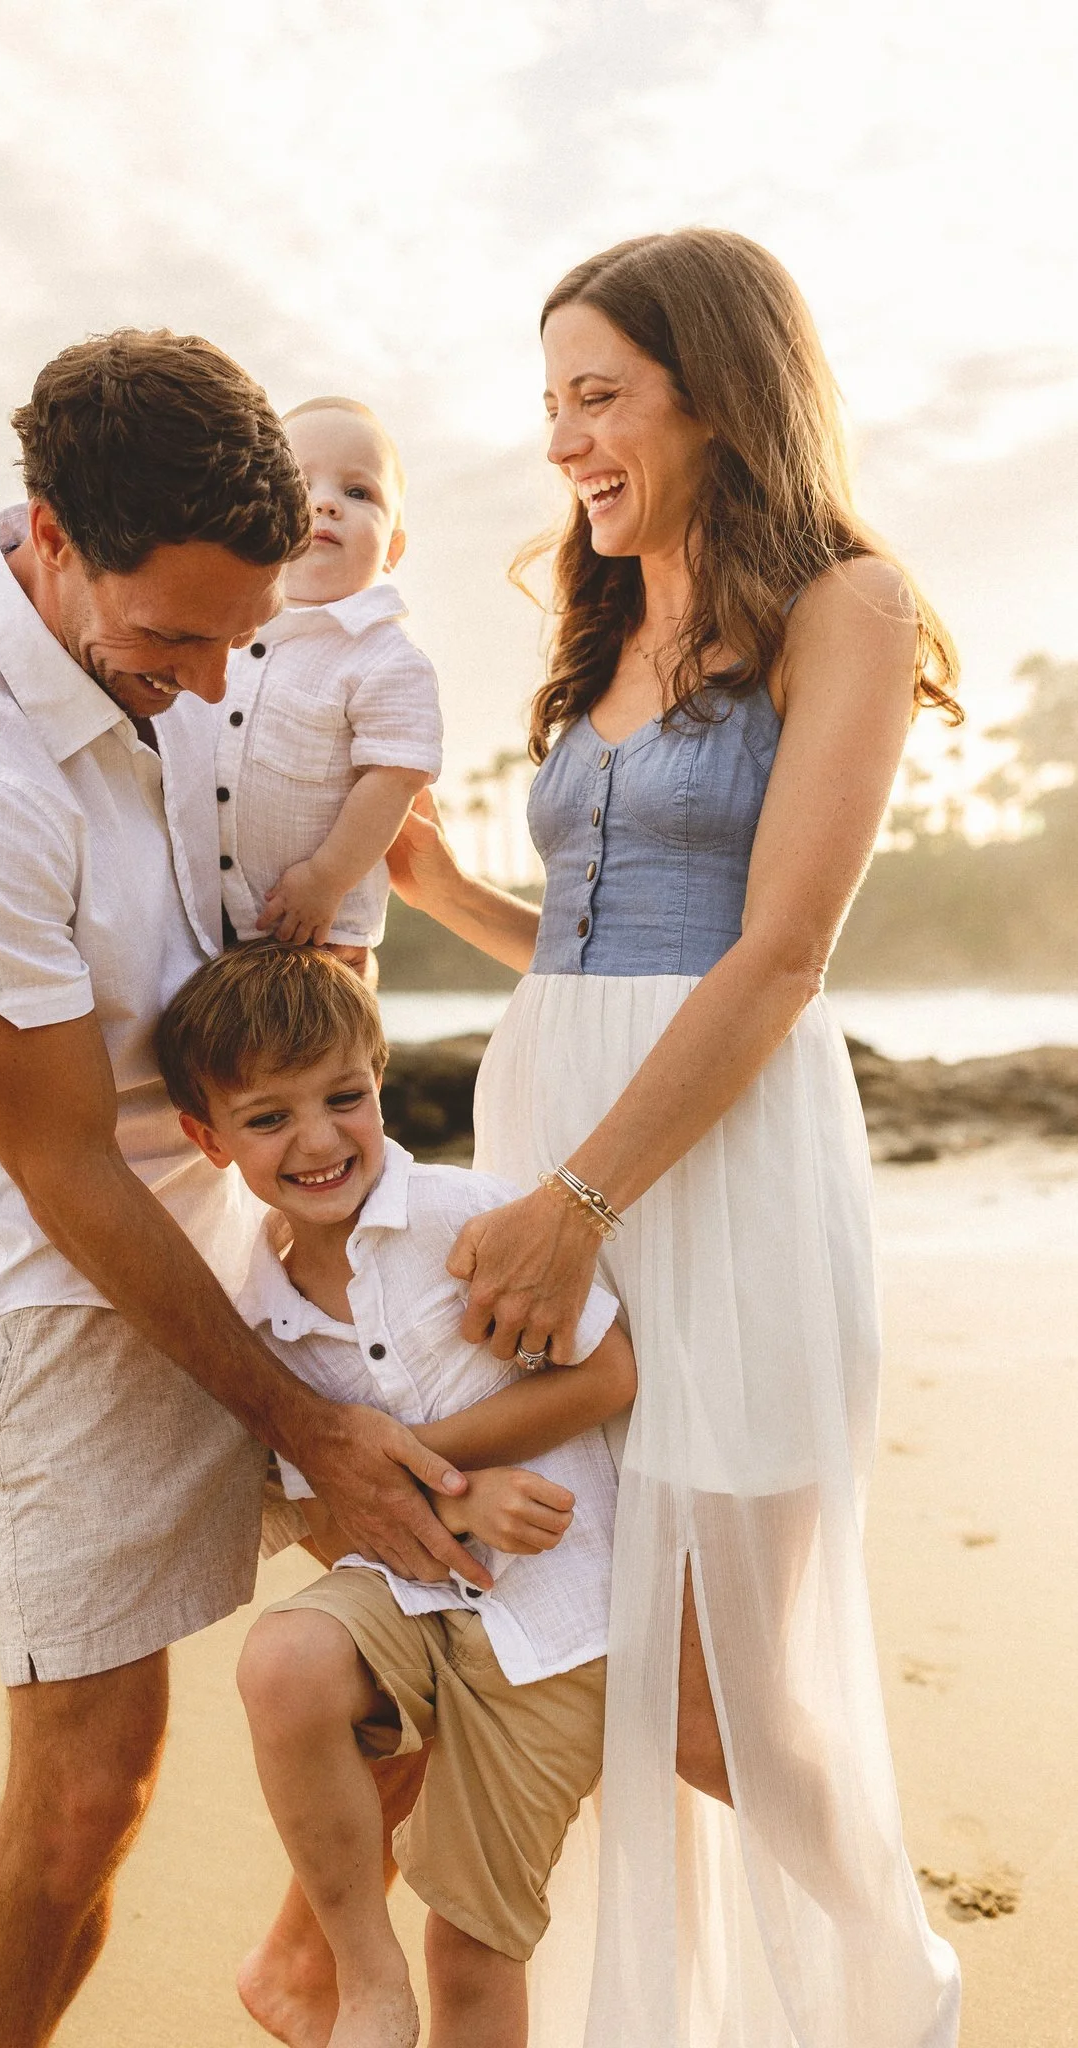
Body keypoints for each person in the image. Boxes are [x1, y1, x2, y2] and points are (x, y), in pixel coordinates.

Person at [0, 330, 483, 2048]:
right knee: (88, 1790)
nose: (207, 686)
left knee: (458, 1607)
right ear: (48, 532)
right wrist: (309, 1422)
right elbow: (56, 1171)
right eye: (174, 639)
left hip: (260, 1218)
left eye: (239, 637)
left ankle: (298, 1958)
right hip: (65, 1288)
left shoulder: (181, 642)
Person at [387, 231, 964, 2046]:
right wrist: (448, 894)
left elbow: (778, 948)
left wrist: (577, 1201)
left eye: (599, 395)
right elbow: (598, 935)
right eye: (552, 399)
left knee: (715, 1666)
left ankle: (899, 1980)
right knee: (584, 1627)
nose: (563, 439)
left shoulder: (847, 605)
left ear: (716, 391)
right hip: (553, 1118)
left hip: (711, 1164)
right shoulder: (606, 608)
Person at [154, 941, 637, 2048]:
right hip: (410, 1607)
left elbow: (607, 1372)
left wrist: (417, 1462)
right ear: (206, 1138)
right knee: (282, 1658)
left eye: (343, 1096)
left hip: (558, 1632)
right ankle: (357, 1979)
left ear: (380, 1074)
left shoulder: (469, 1219)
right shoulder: (256, 1313)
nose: (320, 1139)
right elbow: (319, 1507)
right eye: (268, 1118)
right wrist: (448, 1504)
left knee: (471, 1947)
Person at [217, 397, 443, 981]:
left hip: (318, 933)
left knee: (313, 1062)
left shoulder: (385, 658)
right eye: (299, 483)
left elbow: (394, 779)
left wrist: (326, 879)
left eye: (358, 493)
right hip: (200, 920)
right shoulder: (221, 628)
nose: (323, 503)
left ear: (392, 549)